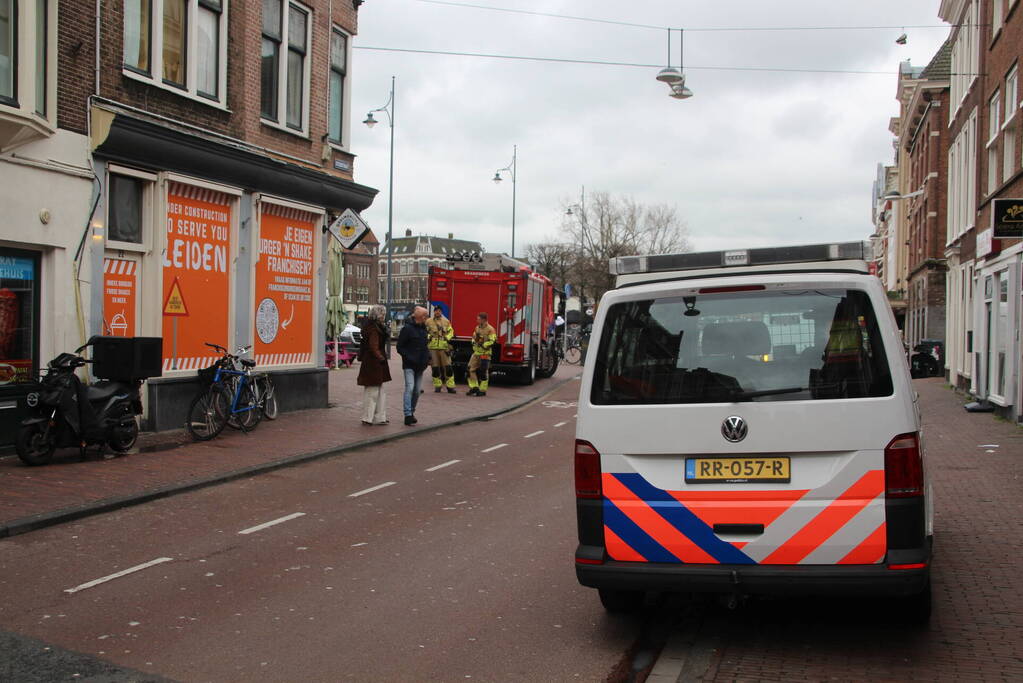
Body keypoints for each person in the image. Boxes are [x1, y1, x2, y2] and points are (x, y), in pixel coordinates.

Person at [357, 305, 391, 425]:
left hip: (373, 361)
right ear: (379, 315)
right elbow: (373, 346)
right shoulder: (374, 329)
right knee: (374, 390)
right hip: (374, 362)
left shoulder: (371, 326)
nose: (384, 316)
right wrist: (381, 357)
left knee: (377, 389)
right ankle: (369, 417)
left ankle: (378, 416)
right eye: (383, 314)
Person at [396, 306, 430, 425]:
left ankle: (411, 412)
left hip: (420, 365)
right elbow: (399, 347)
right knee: (410, 388)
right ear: (420, 317)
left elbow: (425, 346)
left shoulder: (424, 329)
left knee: (416, 391)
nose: (427, 318)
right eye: (425, 316)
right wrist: (408, 357)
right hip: (410, 364)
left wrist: (427, 359)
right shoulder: (407, 329)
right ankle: (408, 414)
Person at [425, 306, 457, 393]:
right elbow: (425, 332)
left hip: (444, 347)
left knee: (448, 368)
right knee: (435, 368)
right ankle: (437, 386)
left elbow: (451, 331)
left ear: (441, 312)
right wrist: (429, 337)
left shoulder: (446, 321)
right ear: (434, 312)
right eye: (436, 311)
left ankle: (450, 386)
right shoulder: (428, 321)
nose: (437, 312)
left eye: (439, 311)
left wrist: (447, 337)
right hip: (432, 347)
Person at [467, 312, 497, 397]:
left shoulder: (490, 329)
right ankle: (474, 387)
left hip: (485, 354)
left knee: (483, 371)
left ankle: (482, 390)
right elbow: (474, 337)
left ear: (483, 320)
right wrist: (473, 341)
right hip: (476, 353)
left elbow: (493, 341)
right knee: (470, 369)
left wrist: (484, 345)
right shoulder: (477, 328)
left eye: (478, 319)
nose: (477, 320)